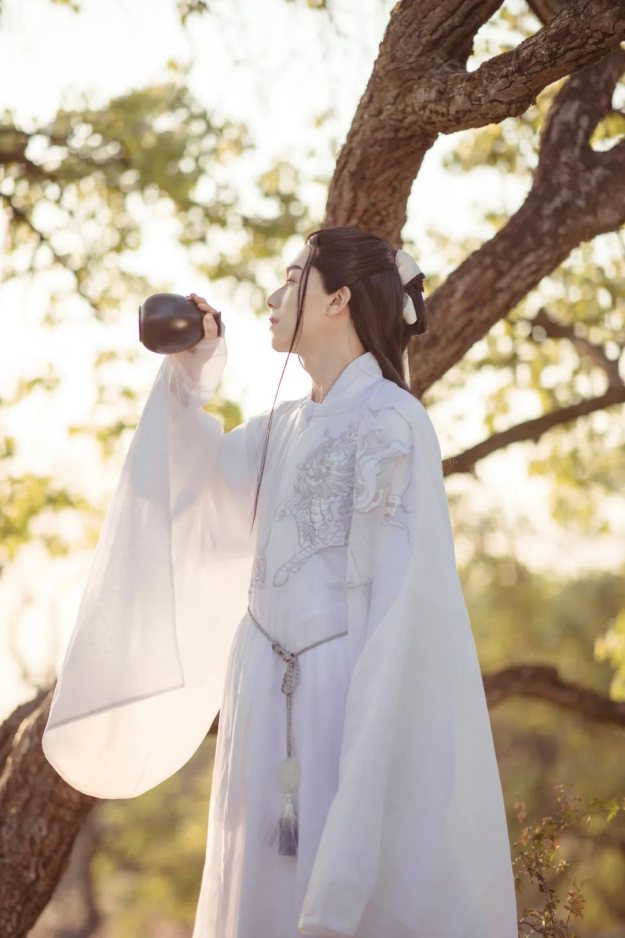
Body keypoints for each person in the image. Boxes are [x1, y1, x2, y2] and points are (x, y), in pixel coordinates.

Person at [42, 226, 519, 938]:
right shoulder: (279, 430)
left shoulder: (393, 422)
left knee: (333, 888)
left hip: (341, 700)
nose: (272, 296)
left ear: (339, 299)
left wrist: (369, 732)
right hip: (263, 699)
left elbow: (402, 608)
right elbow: (182, 497)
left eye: (293, 279)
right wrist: (193, 376)